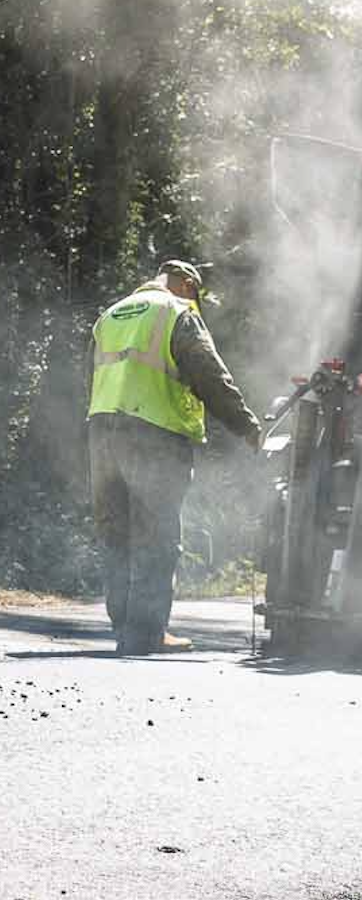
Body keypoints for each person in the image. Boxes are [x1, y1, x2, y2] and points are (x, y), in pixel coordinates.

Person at [88, 261, 262, 656]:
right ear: (186, 285)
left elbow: (93, 380)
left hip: (100, 432)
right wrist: (246, 425)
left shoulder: (109, 316)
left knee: (116, 532)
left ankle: (124, 628)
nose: (196, 305)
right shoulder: (177, 313)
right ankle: (146, 633)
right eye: (196, 297)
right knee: (157, 534)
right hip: (154, 432)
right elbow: (209, 375)